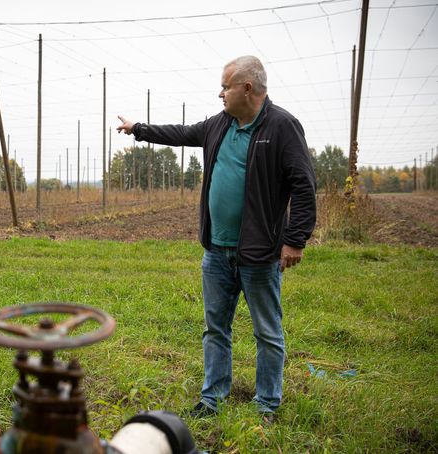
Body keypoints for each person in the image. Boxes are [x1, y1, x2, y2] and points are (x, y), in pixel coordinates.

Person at [117, 55, 316, 420]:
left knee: (267, 332)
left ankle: (266, 405)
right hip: (217, 252)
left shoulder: (283, 126)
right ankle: (213, 399)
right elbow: (180, 133)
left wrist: (295, 239)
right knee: (215, 329)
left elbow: (304, 185)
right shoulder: (219, 124)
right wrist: (139, 128)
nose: (220, 93)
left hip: (258, 253)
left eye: (225, 86)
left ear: (247, 88)